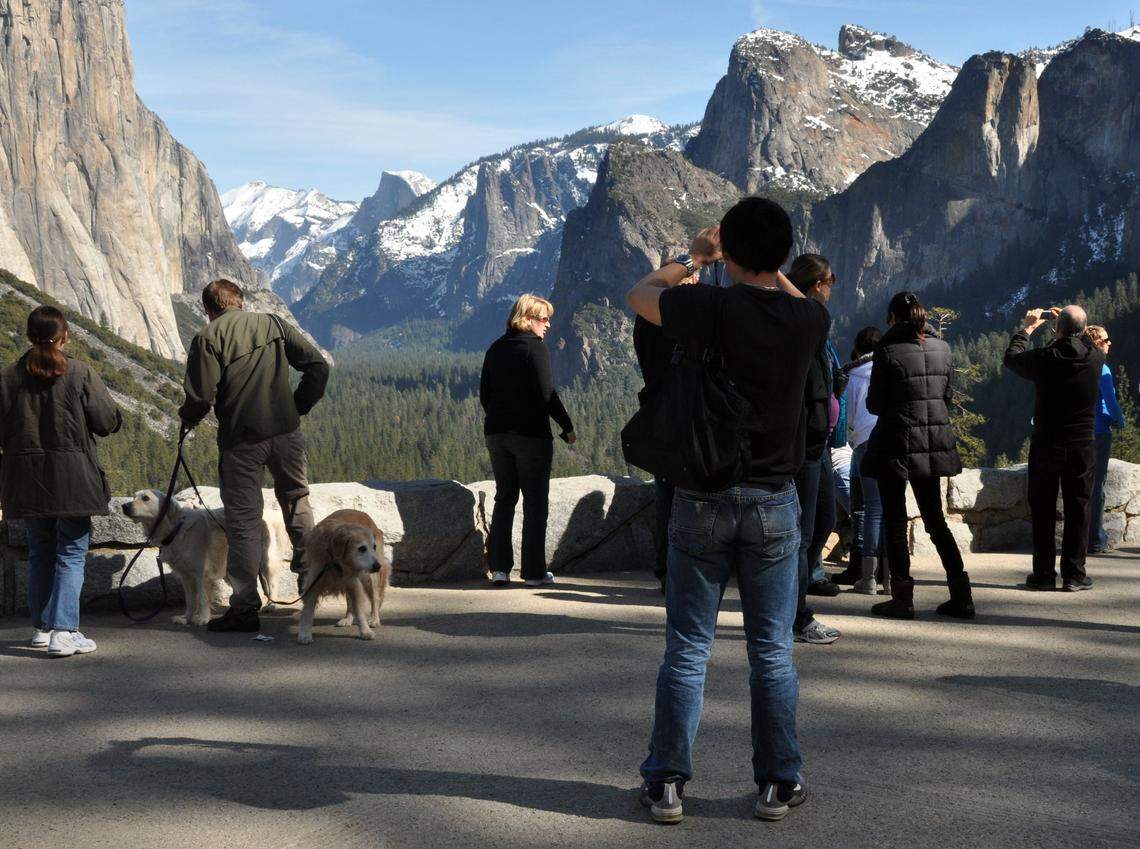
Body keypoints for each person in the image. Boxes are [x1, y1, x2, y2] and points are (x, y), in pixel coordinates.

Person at [626, 197, 828, 825]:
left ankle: (665, 784)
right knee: (771, 651)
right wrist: (767, 268)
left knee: (688, 648)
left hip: (701, 496)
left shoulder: (705, 306)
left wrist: (695, 259)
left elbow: (640, 293)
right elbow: (798, 302)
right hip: (775, 500)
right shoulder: (808, 322)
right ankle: (777, 783)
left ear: (730, 253)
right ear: (782, 254)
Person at [180, 279, 329, 632]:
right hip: (286, 434)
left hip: (241, 442)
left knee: (244, 521)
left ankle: (245, 608)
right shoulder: (274, 324)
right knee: (296, 499)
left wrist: (187, 420)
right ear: (241, 302)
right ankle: (315, 573)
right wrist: (297, 407)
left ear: (208, 309)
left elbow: (200, 397)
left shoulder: (208, 338)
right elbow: (318, 367)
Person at [0, 306, 122, 656]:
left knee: (40, 550)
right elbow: (104, 420)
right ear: (65, 335)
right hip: (72, 479)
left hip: (26, 479)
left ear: (28, 335)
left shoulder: (7, 378)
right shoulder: (79, 372)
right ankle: (64, 631)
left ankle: (40, 626)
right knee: (71, 552)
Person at [862, 292, 973, 620]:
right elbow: (947, 395)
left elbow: (875, 405)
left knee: (895, 521)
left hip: (895, 443)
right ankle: (961, 594)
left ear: (893, 318)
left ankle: (902, 598)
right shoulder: (943, 348)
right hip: (933, 441)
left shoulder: (886, 350)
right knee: (936, 520)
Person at [1003, 306, 1103, 591]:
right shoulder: (1097, 357)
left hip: (1048, 442)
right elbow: (1084, 340)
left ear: (1058, 330)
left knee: (1043, 508)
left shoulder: (1047, 358)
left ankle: (1044, 574)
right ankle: (1074, 574)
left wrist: (1029, 327)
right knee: (1079, 508)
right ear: (1084, 330)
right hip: (1083, 444)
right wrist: (1068, 325)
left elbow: (1012, 359)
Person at [480, 294, 575, 587]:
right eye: (544, 319)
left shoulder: (496, 348)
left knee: (505, 498)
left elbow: (485, 393)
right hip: (531, 435)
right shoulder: (535, 349)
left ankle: (499, 569)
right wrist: (566, 426)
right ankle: (533, 572)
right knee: (535, 503)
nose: (548, 325)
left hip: (496, 434)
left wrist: (500, 418)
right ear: (528, 319)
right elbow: (548, 394)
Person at [786, 254, 845, 644]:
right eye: (827, 282)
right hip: (804, 443)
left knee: (824, 520)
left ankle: (793, 605)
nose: (830, 290)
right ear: (815, 284)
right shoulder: (803, 319)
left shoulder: (812, 321)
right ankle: (795, 616)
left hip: (820, 443)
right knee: (802, 533)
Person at [633, 270, 698, 592]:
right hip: (683, 420)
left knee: (667, 500)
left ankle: (666, 570)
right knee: (684, 501)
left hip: (658, 419)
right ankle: (680, 572)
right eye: (692, 278)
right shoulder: (679, 323)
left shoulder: (644, 321)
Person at [844, 326, 886, 595]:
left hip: (862, 442)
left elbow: (848, 416)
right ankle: (888, 575)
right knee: (885, 507)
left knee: (866, 507)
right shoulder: (887, 368)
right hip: (888, 438)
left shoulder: (852, 375)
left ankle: (867, 575)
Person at [1085, 326, 1125, 553]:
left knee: (1079, 487)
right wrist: (1119, 421)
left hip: (1078, 432)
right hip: (1099, 432)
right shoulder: (1103, 369)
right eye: (1106, 340)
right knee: (1097, 487)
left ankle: (1080, 537)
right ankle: (1096, 540)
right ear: (1097, 342)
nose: (1110, 343)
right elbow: (1110, 401)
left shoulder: (1078, 364)